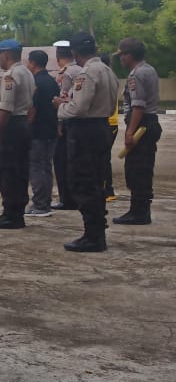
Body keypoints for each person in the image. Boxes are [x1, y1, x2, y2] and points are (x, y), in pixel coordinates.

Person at [53, 32, 118, 252]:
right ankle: (96, 231)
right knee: (97, 180)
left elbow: (78, 108)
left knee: (83, 181)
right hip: (101, 127)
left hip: (85, 131)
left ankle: (93, 236)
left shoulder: (87, 73)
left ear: (74, 51)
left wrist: (60, 107)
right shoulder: (107, 70)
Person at [113, 37, 163, 225]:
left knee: (136, 169)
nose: (120, 60)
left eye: (122, 55)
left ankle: (139, 212)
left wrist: (129, 132)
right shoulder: (149, 69)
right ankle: (140, 210)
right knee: (144, 167)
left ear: (129, 55)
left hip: (141, 125)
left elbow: (138, 106)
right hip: (150, 123)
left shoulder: (136, 74)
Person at [0, 40, 34, 229]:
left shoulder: (11, 75)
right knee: (20, 170)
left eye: (0, 55)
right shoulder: (27, 73)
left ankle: (10, 214)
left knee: (7, 171)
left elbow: (6, 108)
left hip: (11, 126)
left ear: (6, 54)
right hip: (22, 124)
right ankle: (17, 212)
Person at [25, 50, 59, 217]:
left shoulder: (35, 82)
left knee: (37, 168)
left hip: (38, 131)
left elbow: (32, 110)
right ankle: (45, 202)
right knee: (46, 167)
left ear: (33, 63)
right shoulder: (53, 82)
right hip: (51, 131)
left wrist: (26, 130)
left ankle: (40, 204)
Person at [52, 40, 82, 211]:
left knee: (62, 162)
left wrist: (59, 124)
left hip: (68, 121)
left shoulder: (66, 73)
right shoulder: (81, 70)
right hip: (81, 120)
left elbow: (62, 99)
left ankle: (66, 198)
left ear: (58, 57)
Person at [100, 55, 119, 202]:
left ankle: (108, 190)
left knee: (103, 159)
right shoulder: (110, 77)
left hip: (109, 123)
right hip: (109, 123)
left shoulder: (107, 78)